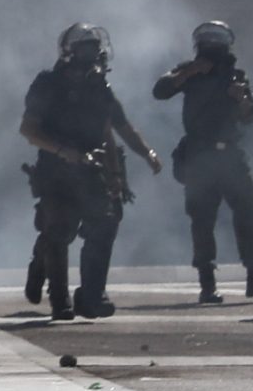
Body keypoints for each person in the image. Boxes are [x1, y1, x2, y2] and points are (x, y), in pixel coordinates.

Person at [21, 24, 160, 322]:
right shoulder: (48, 84)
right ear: (70, 52)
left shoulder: (100, 89)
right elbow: (28, 129)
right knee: (60, 230)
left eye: (95, 49)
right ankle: (59, 299)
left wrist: (146, 154)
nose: (93, 55)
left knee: (105, 224)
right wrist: (62, 151)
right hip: (56, 170)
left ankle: (92, 296)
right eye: (86, 48)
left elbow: (118, 129)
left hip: (91, 170)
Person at [153, 21, 253, 303]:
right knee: (202, 219)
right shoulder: (189, 71)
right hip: (199, 154)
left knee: (250, 212)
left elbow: (250, 116)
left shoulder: (236, 76)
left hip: (230, 154)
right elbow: (160, 90)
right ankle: (207, 283)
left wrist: (241, 99)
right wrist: (190, 71)